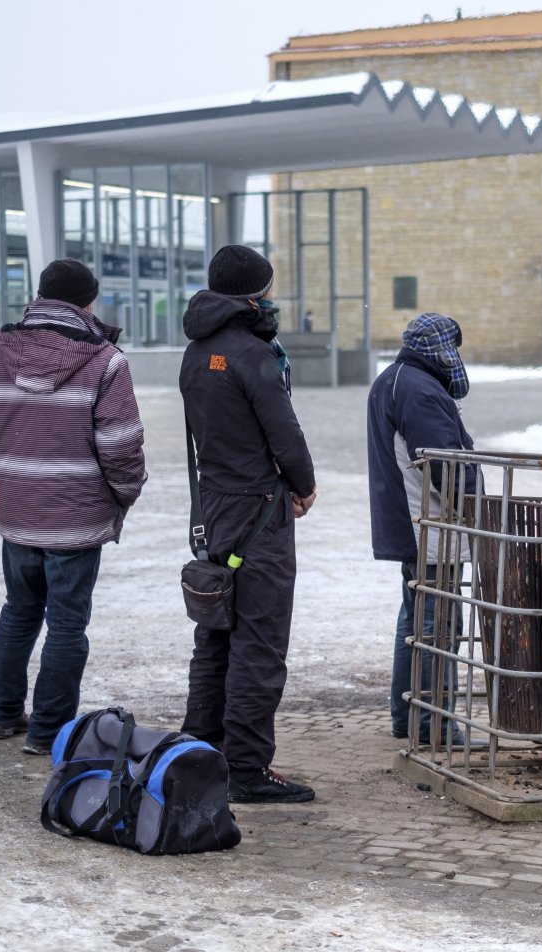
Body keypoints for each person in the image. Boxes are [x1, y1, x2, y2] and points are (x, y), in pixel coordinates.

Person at [0, 259, 146, 755]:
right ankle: (48, 731)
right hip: (77, 516)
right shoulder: (106, 360)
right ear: (87, 303)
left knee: (18, 611)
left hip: (18, 512)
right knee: (66, 623)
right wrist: (124, 491)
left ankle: (0, 716)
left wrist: (10, 469)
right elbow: (121, 445)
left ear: (40, 296)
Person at [180, 244, 319, 804]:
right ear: (256, 292)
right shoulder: (252, 353)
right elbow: (283, 432)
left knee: (216, 630)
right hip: (260, 510)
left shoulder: (197, 350)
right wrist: (303, 485)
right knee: (259, 637)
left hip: (215, 505)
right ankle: (245, 767)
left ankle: (200, 748)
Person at [367, 313, 477, 746]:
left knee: (416, 617)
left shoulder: (396, 379)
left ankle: (407, 714)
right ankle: (435, 724)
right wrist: (480, 509)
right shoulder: (419, 389)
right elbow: (446, 467)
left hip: (413, 521)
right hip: (430, 526)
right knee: (439, 623)